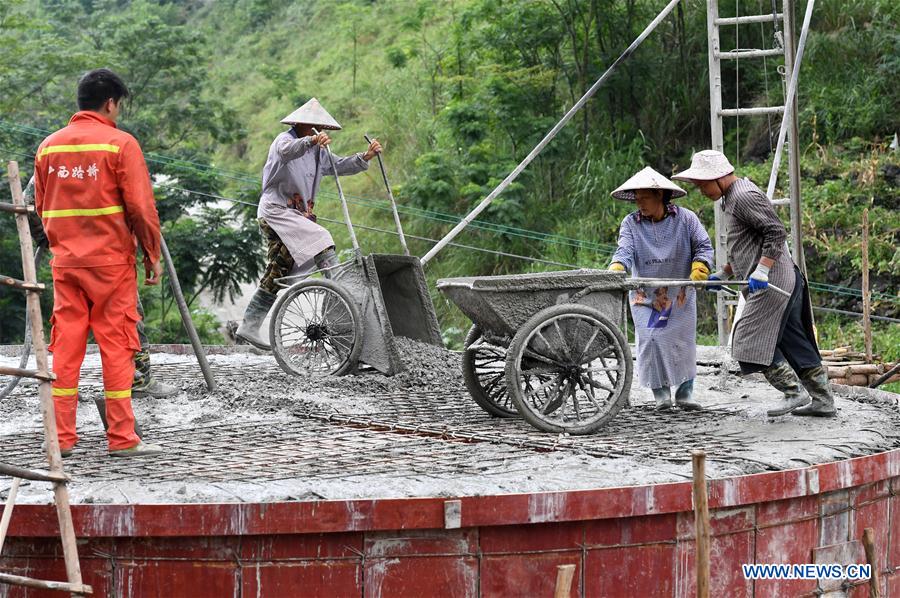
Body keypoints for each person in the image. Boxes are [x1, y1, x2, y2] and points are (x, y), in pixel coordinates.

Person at [33, 68, 165, 457]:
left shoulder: (49, 147)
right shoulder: (120, 144)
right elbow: (141, 208)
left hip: (67, 265)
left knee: (67, 347)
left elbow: (41, 209)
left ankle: (62, 440)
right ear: (110, 103)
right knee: (117, 345)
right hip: (111, 265)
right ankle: (122, 438)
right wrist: (150, 253)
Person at [673, 150, 835, 417]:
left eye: (702, 185)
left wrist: (762, 270)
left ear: (718, 177)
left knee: (746, 343)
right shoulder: (731, 198)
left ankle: (794, 392)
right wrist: (725, 273)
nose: (701, 191)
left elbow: (775, 231)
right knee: (794, 340)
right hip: (779, 278)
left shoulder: (743, 196)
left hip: (773, 281)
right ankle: (824, 401)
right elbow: (745, 244)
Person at [235, 98, 382, 349]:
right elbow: (287, 151)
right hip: (277, 212)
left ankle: (248, 326)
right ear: (302, 124)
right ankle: (342, 293)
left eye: (321, 128)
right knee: (321, 239)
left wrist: (364, 156)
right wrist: (310, 141)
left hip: (296, 216)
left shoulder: (318, 151)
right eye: (314, 126)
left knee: (281, 270)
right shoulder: (284, 140)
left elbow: (337, 165)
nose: (319, 131)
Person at [24, 177, 177, 399]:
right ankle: (137, 382)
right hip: (109, 260)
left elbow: (29, 202)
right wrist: (149, 251)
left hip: (70, 260)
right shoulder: (112, 154)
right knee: (127, 321)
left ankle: (65, 391)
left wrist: (49, 239)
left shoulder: (55, 155)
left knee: (70, 328)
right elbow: (140, 207)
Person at [608, 167, 713, 411]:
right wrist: (617, 267)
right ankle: (661, 395)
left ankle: (685, 394)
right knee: (652, 339)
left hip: (679, 293)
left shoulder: (686, 219)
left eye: (644, 198)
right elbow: (624, 249)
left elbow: (703, 246)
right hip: (646, 295)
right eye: (637, 198)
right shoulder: (631, 223)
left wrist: (700, 267)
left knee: (681, 341)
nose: (639, 203)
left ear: (660, 196)